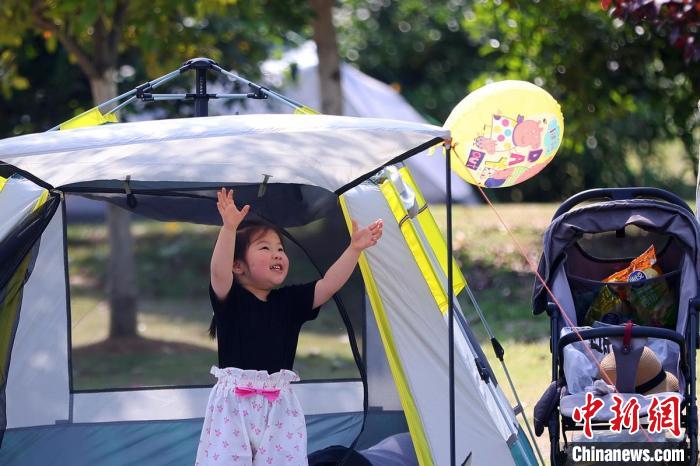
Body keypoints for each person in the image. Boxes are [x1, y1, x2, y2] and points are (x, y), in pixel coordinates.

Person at [195, 188, 383, 466]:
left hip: (279, 405)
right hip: (234, 405)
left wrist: (354, 249)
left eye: (280, 249)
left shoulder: (290, 301)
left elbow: (328, 285)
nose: (277, 254)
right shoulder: (230, 299)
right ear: (238, 266)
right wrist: (229, 229)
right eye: (265, 248)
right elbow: (218, 271)